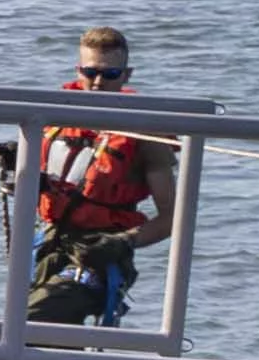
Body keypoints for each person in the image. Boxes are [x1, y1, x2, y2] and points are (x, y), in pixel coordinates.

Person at [33, 27, 178, 324]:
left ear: (126, 75)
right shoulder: (52, 117)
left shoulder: (145, 134)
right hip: (49, 246)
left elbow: (173, 218)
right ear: (78, 71)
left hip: (101, 257)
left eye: (110, 74)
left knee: (33, 317)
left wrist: (123, 243)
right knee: (50, 340)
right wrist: (16, 174)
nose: (98, 83)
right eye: (90, 73)